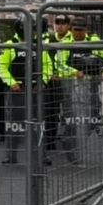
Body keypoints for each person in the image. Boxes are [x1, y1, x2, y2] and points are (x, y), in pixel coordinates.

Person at [0, 19, 52, 164]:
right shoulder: (10, 46)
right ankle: (11, 155)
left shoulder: (38, 46)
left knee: (38, 123)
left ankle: (41, 155)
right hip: (16, 91)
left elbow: (47, 66)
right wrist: (11, 82)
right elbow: (1, 67)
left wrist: (43, 81)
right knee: (13, 125)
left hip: (35, 90)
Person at [55, 17, 103, 163]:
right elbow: (59, 65)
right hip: (71, 90)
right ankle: (72, 152)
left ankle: (87, 149)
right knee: (71, 122)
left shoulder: (94, 42)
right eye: (75, 30)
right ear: (71, 29)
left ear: (86, 30)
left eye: (81, 30)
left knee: (90, 119)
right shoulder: (66, 44)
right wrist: (74, 72)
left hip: (91, 88)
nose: (78, 33)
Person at [43, 14, 73, 151]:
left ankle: (70, 138)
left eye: (63, 22)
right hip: (50, 81)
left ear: (68, 25)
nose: (60, 25)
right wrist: (49, 75)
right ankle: (49, 140)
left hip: (68, 81)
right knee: (49, 112)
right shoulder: (47, 40)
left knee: (68, 112)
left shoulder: (73, 40)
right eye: (57, 22)